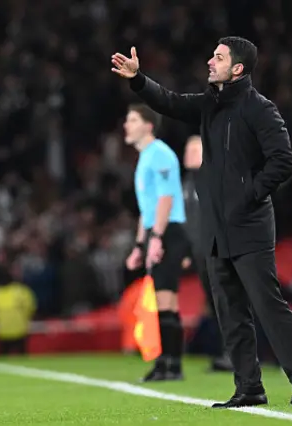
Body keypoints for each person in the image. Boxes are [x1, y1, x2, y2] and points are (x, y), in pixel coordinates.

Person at [111, 37, 292, 407]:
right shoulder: (211, 104)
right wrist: (138, 79)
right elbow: (171, 103)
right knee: (229, 310)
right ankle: (249, 387)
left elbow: (283, 160)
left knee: (266, 304)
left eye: (219, 57)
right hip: (215, 228)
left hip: (250, 224)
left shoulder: (260, 109)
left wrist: (249, 193)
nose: (210, 61)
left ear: (237, 68)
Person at [123, 104, 188, 382]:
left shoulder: (159, 154)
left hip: (169, 230)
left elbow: (165, 199)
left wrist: (157, 238)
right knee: (166, 299)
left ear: (148, 125)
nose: (127, 125)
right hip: (159, 229)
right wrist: (139, 244)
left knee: (165, 298)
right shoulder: (146, 157)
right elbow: (146, 208)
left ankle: (169, 363)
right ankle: (171, 363)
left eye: (133, 120)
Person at [182, 135, 233, 372]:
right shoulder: (186, 185)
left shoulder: (214, 179)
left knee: (226, 302)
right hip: (199, 254)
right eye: (188, 149)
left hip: (216, 251)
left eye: (196, 149)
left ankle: (237, 354)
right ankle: (227, 352)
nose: (190, 153)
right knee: (214, 305)